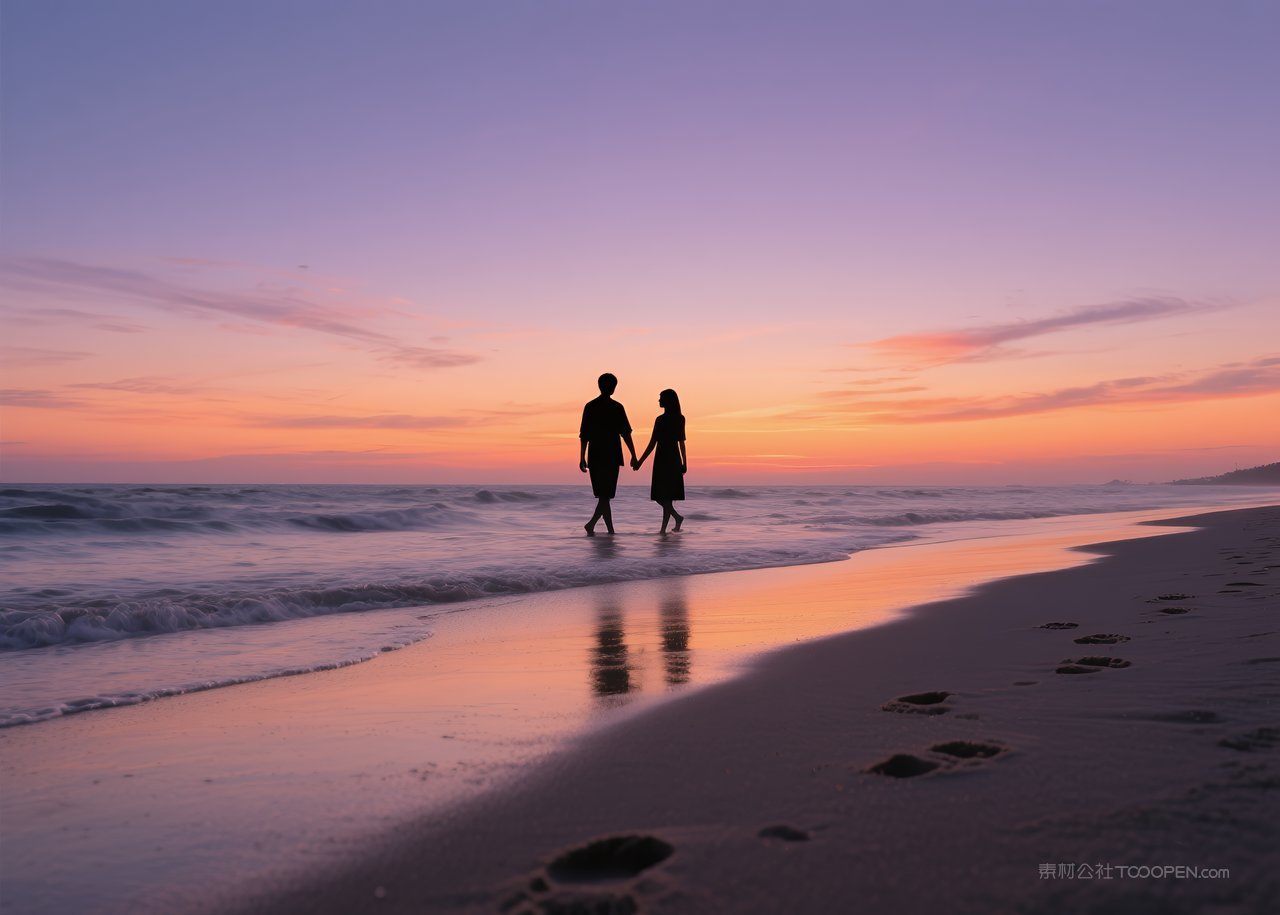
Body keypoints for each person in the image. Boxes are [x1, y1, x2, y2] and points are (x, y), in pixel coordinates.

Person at [579, 373, 638, 535]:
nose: (612, 388)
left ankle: (605, 530)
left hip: (598, 455)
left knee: (604, 496)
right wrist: (633, 455)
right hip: (608, 455)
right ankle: (598, 527)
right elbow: (625, 434)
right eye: (611, 385)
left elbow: (585, 435)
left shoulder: (592, 406)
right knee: (605, 496)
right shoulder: (615, 407)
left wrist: (582, 457)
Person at [632, 388, 687, 533]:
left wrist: (684, 463)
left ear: (669, 400)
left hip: (670, 459)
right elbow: (652, 443)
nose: (659, 400)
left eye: (661, 398)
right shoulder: (661, 419)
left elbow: (681, 442)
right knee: (660, 496)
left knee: (665, 496)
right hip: (663, 459)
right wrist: (640, 461)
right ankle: (675, 519)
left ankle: (663, 530)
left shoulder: (678, 419)